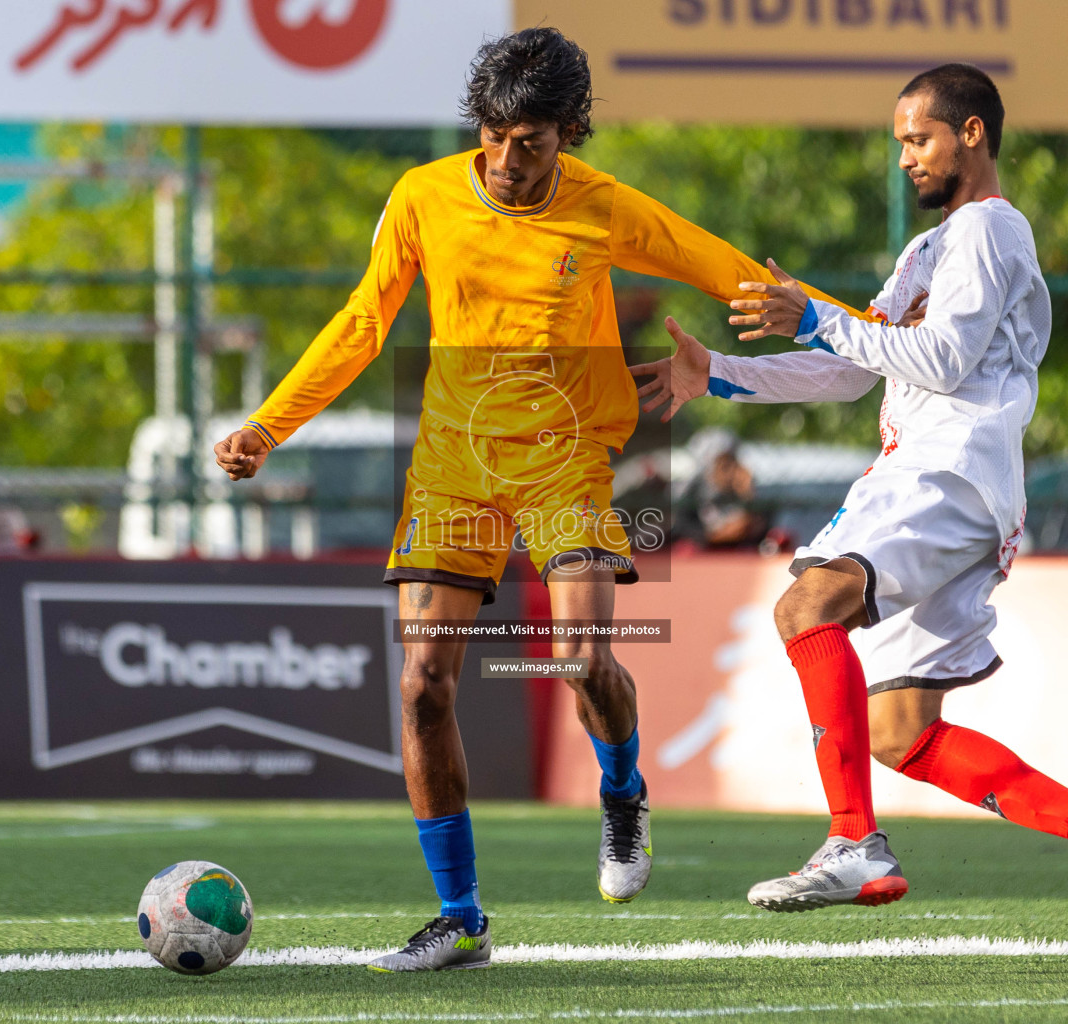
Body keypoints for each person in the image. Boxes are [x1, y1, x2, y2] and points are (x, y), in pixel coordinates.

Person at [212, 27, 861, 972]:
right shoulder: (423, 195)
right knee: (422, 686)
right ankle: (460, 916)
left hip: (564, 461)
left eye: (534, 141)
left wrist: (872, 331)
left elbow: (726, 268)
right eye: (496, 135)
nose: (510, 160)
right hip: (453, 469)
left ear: (572, 134)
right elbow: (362, 321)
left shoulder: (605, 208)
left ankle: (623, 791)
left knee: (581, 660)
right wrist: (268, 426)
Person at [630, 63, 1068, 952]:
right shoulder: (926, 250)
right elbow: (854, 367)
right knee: (899, 732)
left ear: (972, 134)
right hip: (963, 492)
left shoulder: (992, 231)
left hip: (943, 472)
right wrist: (721, 372)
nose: (905, 159)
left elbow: (944, 361)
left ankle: (853, 840)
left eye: (918, 139)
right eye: (898, 144)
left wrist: (816, 316)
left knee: (806, 605)